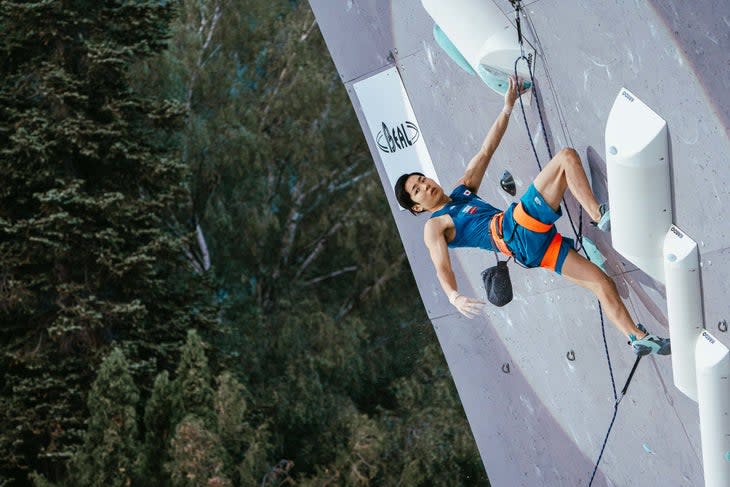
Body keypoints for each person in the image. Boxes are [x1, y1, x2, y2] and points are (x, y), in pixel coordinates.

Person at [394, 76, 670, 357]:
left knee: (601, 283)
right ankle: (600, 216)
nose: (426, 185)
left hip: (531, 249)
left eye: (422, 179)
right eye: (418, 190)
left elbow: (486, 150)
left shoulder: (462, 190)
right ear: (417, 206)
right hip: (515, 230)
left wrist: (507, 107)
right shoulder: (435, 225)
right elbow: (442, 267)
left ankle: (636, 337)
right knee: (565, 158)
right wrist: (454, 297)